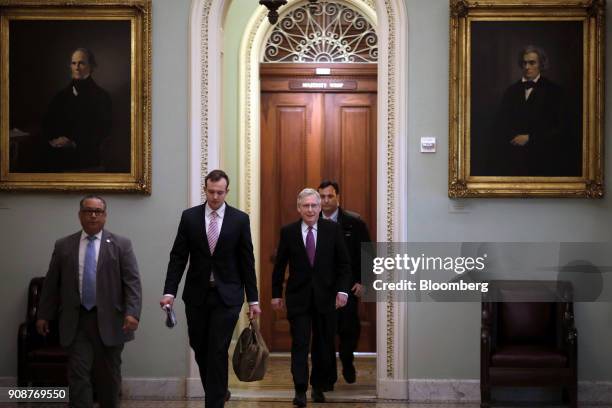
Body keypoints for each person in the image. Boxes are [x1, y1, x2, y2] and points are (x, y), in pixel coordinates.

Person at [161, 169, 261, 408]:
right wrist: (169, 292)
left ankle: (213, 402)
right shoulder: (190, 218)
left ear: (227, 192)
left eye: (219, 192)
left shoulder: (239, 219)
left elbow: (247, 261)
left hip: (228, 296)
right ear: (205, 190)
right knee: (200, 346)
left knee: (217, 349)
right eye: (211, 191)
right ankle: (218, 390)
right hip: (197, 294)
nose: (215, 197)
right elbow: (178, 257)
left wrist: (253, 300)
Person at [36, 195, 142, 408]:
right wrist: (43, 315)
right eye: (88, 211)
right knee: (78, 374)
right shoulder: (64, 245)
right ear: (80, 215)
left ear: (105, 216)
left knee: (109, 378)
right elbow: (51, 284)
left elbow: (132, 282)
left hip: (111, 321)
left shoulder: (121, 244)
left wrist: (132, 312)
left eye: (98, 211)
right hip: (76, 321)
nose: (93, 215)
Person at [271, 188, 351, 407]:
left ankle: (317, 386)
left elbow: (344, 264)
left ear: (319, 207)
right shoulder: (288, 232)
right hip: (298, 298)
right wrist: (276, 294)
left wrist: (343, 291)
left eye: (314, 205)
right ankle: (300, 389)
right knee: (300, 343)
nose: (310, 209)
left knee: (323, 345)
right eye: (305, 206)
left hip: (326, 298)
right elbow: (279, 266)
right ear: (299, 208)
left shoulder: (332, 230)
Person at [318, 180, 371, 385]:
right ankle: (329, 375)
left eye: (330, 196)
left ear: (337, 197)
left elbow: (369, 254)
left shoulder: (354, 222)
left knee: (349, 330)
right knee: (325, 332)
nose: (326, 200)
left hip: (348, 286)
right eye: (322, 196)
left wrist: (364, 281)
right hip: (322, 287)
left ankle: (347, 361)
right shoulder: (312, 221)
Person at [494, 45, 577, 176]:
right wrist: (513, 138)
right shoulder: (510, 91)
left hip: (544, 160)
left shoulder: (555, 92)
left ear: (541, 65)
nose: (527, 67)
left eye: (532, 63)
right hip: (513, 160)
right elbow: (500, 123)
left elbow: (562, 128)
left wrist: (530, 138)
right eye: (524, 63)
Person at [43, 48, 112, 171]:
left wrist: (74, 142)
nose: (77, 67)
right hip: (57, 153)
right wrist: (55, 140)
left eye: (81, 63)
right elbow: (48, 123)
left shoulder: (102, 97)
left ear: (91, 66)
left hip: (86, 155)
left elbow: (103, 130)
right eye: (74, 63)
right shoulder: (60, 96)